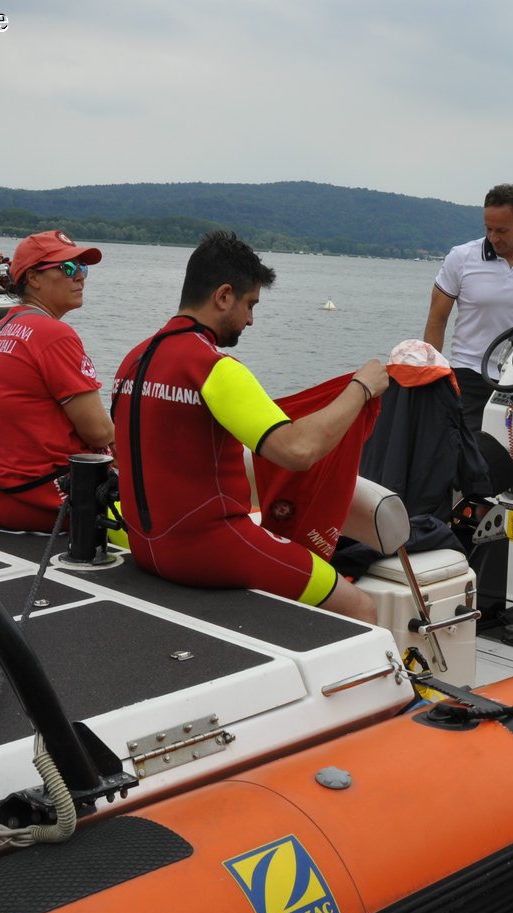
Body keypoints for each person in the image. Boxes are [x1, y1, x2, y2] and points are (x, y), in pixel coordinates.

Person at [112, 230, 390, 623]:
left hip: (145, 543)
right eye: (249, 304)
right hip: (208, 551)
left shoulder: (132, 361)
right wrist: (361, 388)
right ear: (223, 296)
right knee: (360, 606)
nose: (251, 320)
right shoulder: (213, 367)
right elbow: (298, 451)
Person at [0, 229, 114, 532]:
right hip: (43, 501)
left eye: (81, 268)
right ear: (33, 278)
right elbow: (99, 432)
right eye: (68, 268)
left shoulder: (2, 328)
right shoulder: (53, 334)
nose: (81, 277)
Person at [423, 183, 513, 427]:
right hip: (469, 371)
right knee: (465, 453)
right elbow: (437, 318)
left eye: (502, 230)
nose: (493, 237)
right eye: (488, 229)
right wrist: (430, 374)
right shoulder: (461, 258)